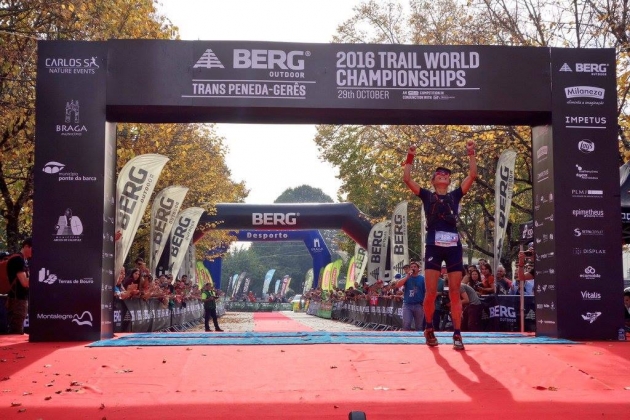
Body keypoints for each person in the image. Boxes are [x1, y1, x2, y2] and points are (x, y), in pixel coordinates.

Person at [403, 140, 477, 350]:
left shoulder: (455, 195)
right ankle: (429, 327)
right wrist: (410, 156)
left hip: (453, 245)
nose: (443, 175)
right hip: (434, 245)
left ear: (450, 180)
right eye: (439, 174)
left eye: (447, 174)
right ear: (434, 180)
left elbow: (472, 175)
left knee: (455, 292)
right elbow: (406, 178)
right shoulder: (427, 195)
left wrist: (471, 153)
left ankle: (457, 334)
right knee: (431, 292)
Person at [7, 238, 33, 334]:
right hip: (17, 300)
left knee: (17, 328)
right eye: (33, 249)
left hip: (18, 298)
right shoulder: (18, 260)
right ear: (26, 246)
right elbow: (25, 283)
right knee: (16, 330)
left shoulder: (22, 260)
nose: (34, 252)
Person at [391, 261, 425, 331]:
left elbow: (426, 291)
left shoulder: (422, 279)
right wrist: (407, 277)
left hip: (419, 305)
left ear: (418, 269)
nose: (413, 268)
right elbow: (397, 285)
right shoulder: (406, 277)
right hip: (407, 305)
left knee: (419, 326)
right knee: (406, 324)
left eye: (415, 267)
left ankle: (418, 341)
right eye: (411, 267)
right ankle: (405, 340)